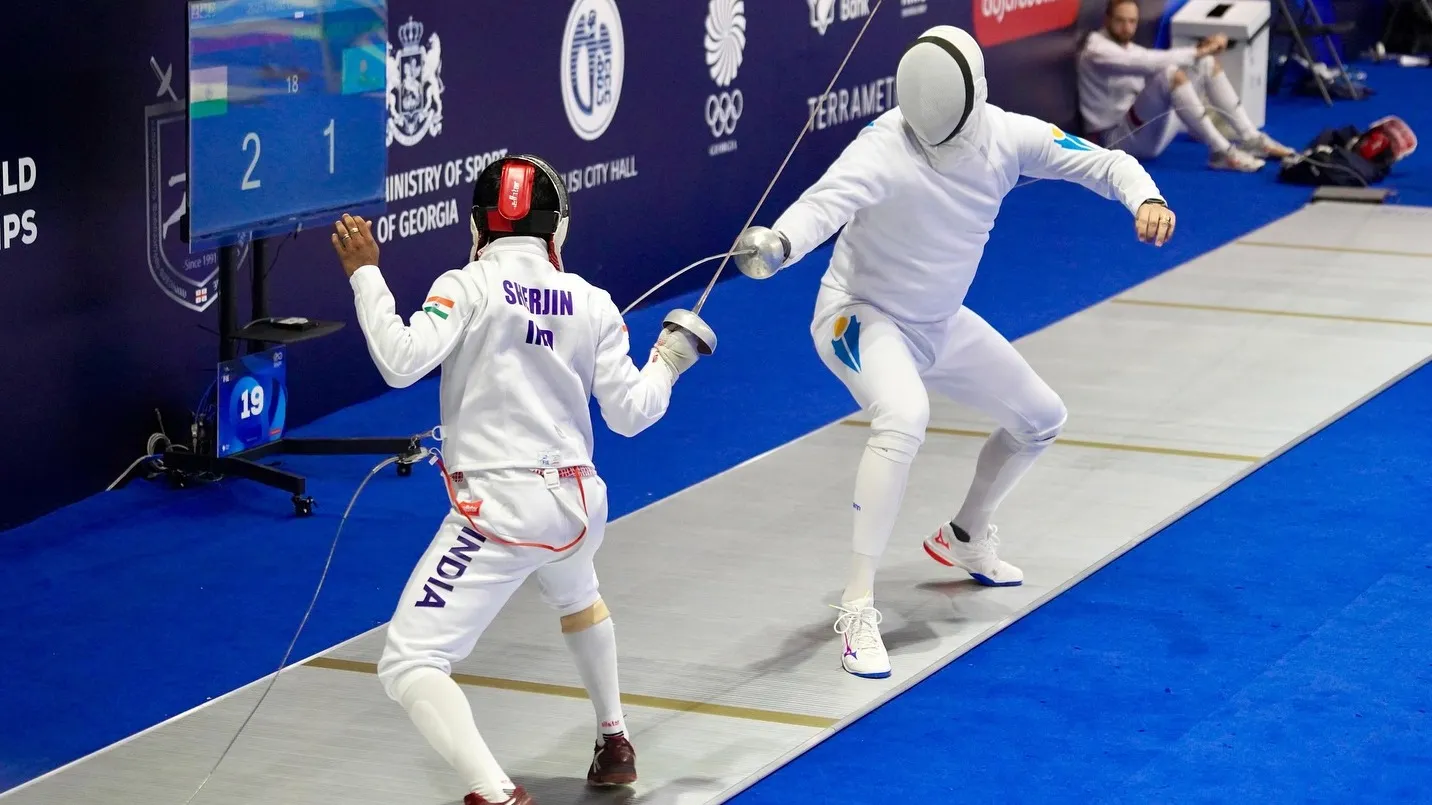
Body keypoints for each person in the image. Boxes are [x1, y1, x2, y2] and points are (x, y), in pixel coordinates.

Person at [732, 25, 1176, 679]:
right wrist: (779, 245)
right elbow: (822, 206)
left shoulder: (1007, 136)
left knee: (1041, 417)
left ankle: (966, 534)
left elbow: (1104, 162)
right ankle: (857, 607)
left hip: (938, 323)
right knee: (903, 415)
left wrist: (1146, 197)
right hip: (858, 317)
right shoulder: (883, 144)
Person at [332, 154, 714, 805]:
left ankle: (495, 793)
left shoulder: (468, 284)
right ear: (556, 226)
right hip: (579, 511)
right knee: (578, 594)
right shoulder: (591, 300)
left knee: (408, 660)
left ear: (479, 223)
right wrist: (670, 359)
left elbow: (399, 361)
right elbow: (631, 414)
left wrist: (365, 271)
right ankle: (615, 739)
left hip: (503, 513)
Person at [1077, 0, 1294, 171]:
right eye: (1120, 21)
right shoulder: (1096, 50)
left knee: (1206, 63)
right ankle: (1221, 152)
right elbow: (1147, 62)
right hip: (1115, 139)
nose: (1127, 28)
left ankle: (1251, 139)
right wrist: (1199, 50)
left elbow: (1151, 59)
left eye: (1132, 22)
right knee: (1170, 74)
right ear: (1106, 20)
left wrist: (1202, 52)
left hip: (1143, 133)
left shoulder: (1129, 48)